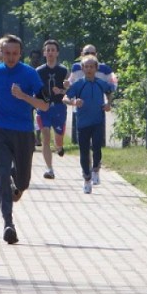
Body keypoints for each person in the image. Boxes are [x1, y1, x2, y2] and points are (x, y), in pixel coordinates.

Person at [0, 34, 49, 245]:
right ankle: (8, 224)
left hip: (23, 131)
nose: (11, 58)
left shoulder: (30, 74)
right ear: (0, 53)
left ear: (21, 54)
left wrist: (24, 97)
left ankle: (16, 181)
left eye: (15, 54)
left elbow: (44, 105)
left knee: (22, 182)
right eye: (7, 53)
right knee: (2, 175)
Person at [63, 55, 114, 194]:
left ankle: (96, 168)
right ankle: (87, 178)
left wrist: (108, 104)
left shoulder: (100, 83)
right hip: (82, 124)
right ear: (82, 68)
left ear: (96, 68)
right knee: (84, 152)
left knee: (97, 148)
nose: (89, 69)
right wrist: (74, 102)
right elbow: (65, 97)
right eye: (86, 66)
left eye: (92, 66)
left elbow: (109, 91)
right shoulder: (79, 84)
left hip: (97, 122)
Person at [35, 40, 69, 179]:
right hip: (44, 108)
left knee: (59, 139)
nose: (50, 53)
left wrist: (62, 90)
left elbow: (68, 90)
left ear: (57, 53)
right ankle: (49, 169)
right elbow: (35, 89)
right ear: (44, 53)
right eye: (47, 50)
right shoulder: (38, 71)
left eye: (52, 50)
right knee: (46, 137)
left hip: (59, 108)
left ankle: (60, 147)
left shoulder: (64, 70)